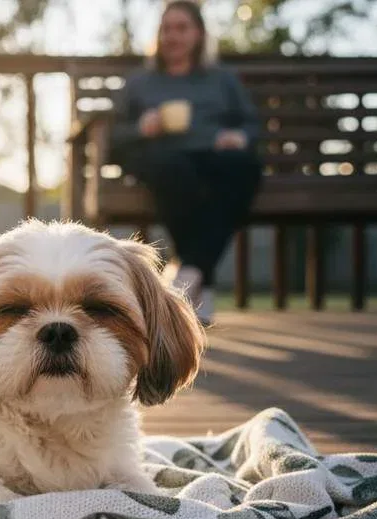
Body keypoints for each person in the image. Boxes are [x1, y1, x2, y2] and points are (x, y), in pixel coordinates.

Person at [111, 0, 262, 326]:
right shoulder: (141, 82)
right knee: (174, 169)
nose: (173, 36)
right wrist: (141, 127)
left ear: (199, 34)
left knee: (243, 167)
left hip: (213, 158)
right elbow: (113, 137)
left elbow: (251, 126)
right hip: (161, 158)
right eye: (167, 28)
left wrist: (239, 138)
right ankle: (200, 283)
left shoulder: (221, 80)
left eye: (181, 28)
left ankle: (190, 273)